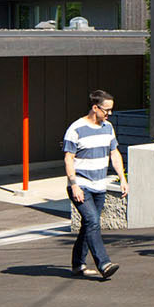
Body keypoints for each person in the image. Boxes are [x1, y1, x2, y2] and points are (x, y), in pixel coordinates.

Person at [63, 89, 130, 280]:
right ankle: (104, 263)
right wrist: (74, 185)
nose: (109, 113)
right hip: (81, 185)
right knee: (93, 221)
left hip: (100, 186)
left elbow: (114, 154)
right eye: (106, 110)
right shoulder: (75, 129)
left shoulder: (108, 127)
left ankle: (78, 264)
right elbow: (68, 159)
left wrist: (123, 178)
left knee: (88, 225)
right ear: (95, 108)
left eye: (111, 110)